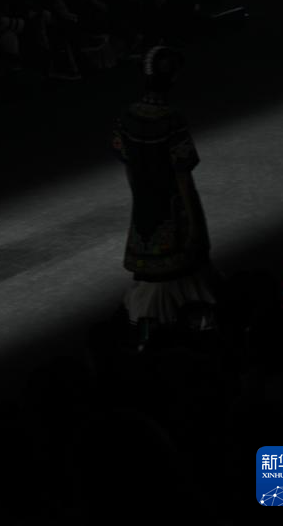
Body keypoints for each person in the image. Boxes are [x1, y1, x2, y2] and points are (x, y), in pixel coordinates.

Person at [111, 46, 216, 344]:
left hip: (144, 216)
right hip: (172, 214)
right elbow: (184, 179)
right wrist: (196, 227)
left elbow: (129, 167)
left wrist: (141, 200)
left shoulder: (127, 117)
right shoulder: (172, 120)